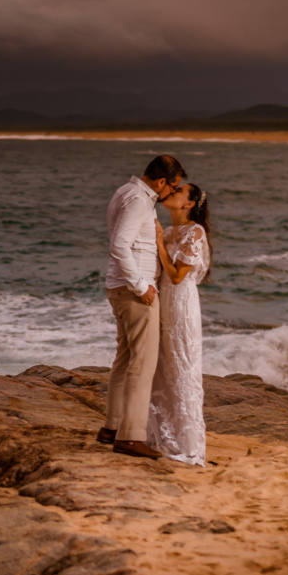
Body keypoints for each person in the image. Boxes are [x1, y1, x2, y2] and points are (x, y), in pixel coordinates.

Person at [100, 155, 185, 459]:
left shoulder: (127, 191)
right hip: (134, 291)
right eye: (172, 187)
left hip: (120, 288)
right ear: (161, 181)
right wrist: (142, 286)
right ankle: (131, 436)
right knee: (142, 363)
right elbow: (119, 245)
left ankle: (111, 427)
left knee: (124, 360)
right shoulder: (137, 199)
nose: (172, 193)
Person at [147, 182, 213, 465]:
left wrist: (160, 242)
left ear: (188, 204)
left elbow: (176, 276)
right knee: (163, 365)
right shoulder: (171, 230)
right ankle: (163, 436)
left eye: (179, 192)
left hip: (182, 303)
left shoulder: (195, 231)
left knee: (183, 365)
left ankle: (189, 445)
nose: (172, 193)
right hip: (163, 302)